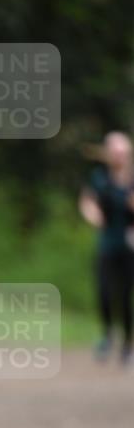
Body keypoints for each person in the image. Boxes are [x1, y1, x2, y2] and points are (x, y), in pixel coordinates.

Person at [79, 131, 134, 366]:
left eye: (123, 153)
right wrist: (92, 213)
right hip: (107, 242)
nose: (119, 157)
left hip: (130, 246)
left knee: (125, 295)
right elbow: (87, 200)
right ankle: (108, 332)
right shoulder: (100, 178)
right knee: (103, 290)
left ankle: (128, 345)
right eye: (115, 152)